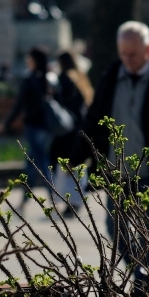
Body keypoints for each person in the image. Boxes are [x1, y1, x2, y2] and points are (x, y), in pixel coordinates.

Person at [79, 21, 149, 297]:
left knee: (147, 232)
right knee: (114, 228)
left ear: (148, 50)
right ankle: (142, 274)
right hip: (116, 171)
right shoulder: (111, 76)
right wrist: (76, 156)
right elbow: (94, 119)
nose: (127, 60)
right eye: (123, 54)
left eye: (133, 54)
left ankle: (145, 285)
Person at [0, 47, 53, 211]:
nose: (27, 60)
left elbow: (18, 105)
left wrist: (5, 123)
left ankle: (53, 199)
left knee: (39, 164)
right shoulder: (47, 79)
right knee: (32, 164)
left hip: (33, 126)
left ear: (35, 60)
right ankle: (25, 202)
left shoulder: (30, 80)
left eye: (29, 58)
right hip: (46, 128)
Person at [50, 51, 94, 218]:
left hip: (68, 129)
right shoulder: (80, 77)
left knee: (66, 166)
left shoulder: (65, 79)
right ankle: (75, 201)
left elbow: (62, 102)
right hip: (80, 127)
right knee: (76, 165)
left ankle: (72, 201)